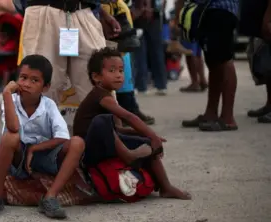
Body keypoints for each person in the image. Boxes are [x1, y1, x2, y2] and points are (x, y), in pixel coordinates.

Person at [73, 47, 191, 200]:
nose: (118, 75)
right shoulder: (99, 95)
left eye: (121, 71)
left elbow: (118, 129)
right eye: (112, 70)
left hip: (108, 144)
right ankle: (129, 156)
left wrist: (147, 137)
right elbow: (128, 117)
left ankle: (165, 187)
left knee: (147, 143)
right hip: (89, 151)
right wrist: (152, 134)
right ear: (96, 77)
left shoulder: (109, 95)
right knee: (101, 121)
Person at [0, 55, 85, 220]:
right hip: (19, 159)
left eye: (35, 80)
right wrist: (6, 93)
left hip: (44, 155)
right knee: (9, 137)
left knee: (77, 142)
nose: (27, 84)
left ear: (45, 87)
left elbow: (63, 137)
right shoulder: (10, 100)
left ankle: (50, 197)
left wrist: (35, 149)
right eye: (23, 77)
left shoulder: (48, 105)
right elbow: (13, 128)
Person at [19, 0, 121, 124]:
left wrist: (100, 11)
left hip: (84, 10)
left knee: (99, 83)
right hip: (43, 9)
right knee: (40, 86)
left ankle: (108, 138)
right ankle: (35, 139)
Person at [178, 0, 240, 131]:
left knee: (224, 59)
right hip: (208, 9)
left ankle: (228, 118)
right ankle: (210, 114)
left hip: (220, 8)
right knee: (213, 61)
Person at [132, 0, 168, 96]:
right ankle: (157, 85)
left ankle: (144, 86)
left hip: (146, 15)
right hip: (148, 15)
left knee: (144, 52)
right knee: (149, 52)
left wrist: (145, 8)